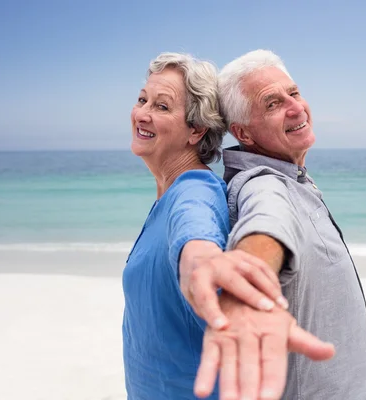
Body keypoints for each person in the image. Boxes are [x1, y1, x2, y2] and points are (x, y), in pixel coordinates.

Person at [122, 52, 330, 400]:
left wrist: (206, 264)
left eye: (162, 107)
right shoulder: (169, 193)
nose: (143, 113)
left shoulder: (194, 190)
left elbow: (197, 240)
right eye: (143, 100)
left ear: (196, 130)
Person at [195, 50, 366, 400]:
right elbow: (266, 222)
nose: (295, 108)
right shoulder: (263, 183)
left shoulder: (293, 177)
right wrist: (244, 290)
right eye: (272, 104)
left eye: (293, 93)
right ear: (243, 133)